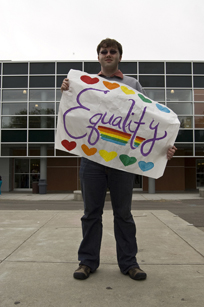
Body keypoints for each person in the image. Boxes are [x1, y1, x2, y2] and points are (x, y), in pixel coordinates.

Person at [61, 38, 177, 281]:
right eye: (104, 51)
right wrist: (68, 91)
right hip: (92, 160)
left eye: (112, 51)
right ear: (99, 57)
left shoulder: (132, 84)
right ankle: (87, 262)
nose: (108, 54)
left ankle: (129, 263)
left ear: (119, 56)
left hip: (123, 161)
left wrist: (163, 146)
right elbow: (76, 114)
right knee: (91, 213)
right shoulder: (86, 84)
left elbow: (148, 120)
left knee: (123, 214)